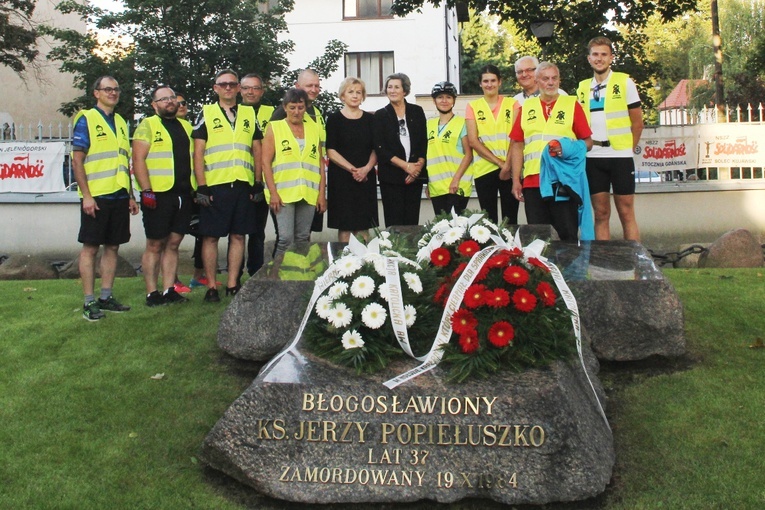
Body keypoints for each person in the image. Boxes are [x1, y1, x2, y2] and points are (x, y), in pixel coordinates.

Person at [71, 75, 138, 321]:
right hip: (96, 196)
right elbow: (77, 159)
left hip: (118, 195)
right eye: (107, 89)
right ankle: (89, 302)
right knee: (90, 248)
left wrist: (130, 195)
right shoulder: (86, 119)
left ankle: (106, 296)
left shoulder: (120, 121)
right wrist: (86, 196)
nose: (113, 93)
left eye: (116, 89)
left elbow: (124, 161)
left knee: (113, 246)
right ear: (96, 93)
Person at [192, 69, 262, 302]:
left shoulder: (248, 113)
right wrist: (201, 186)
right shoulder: (206, 112)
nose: (229, 88)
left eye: (233, 84)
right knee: (210, 237)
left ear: (239, 89)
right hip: (215, 185)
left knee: (238, 236)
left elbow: (257, 150)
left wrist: (258, 182)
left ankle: (233, 283)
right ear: (216, 88)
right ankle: (212, 285)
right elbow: (198, 152)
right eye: (223, 85)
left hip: (242, 183)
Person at [503, 62, 594, 242]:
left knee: (567, 233)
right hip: (532, 181)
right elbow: (517, 145)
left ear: (560, 81)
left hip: (562, 180)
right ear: (537, 82)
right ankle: (543, 271)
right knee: (538, 237)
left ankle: (570, 270)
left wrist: (567, 149)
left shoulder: (572, 104)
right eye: (545, 79)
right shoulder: (526, 107)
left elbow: (588, 142)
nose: (550, 83)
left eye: (554, 78)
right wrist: (515, 180)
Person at [577, 36, 644, 241]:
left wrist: (627, 149)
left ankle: (637, 264)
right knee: (601, 214)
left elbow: (638, 122)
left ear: (611, 58)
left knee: (626, 212)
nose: (599, 59)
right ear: (589, 58)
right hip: (593, 156)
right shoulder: (582, 87)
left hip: (620, 156)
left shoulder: (624, 82)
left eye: (604, 54)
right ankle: (602, 268)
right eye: (595, 54)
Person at [132, 85, 194, 306]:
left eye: (172, 98)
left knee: (174, 242)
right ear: (154, 104)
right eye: (164, 99)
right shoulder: (147, 125)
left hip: (183, 193)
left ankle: (169, 289)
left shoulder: (186, 127)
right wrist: (146, 189)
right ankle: (152, 292)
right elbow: (138, 160)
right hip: (158, 194)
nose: (170, 101)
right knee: (155, 244)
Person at [262, 88, 326, 256]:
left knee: (303, 238)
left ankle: (299, 277)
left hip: (308, 192)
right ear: (284, 107)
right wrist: (272, 193)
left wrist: (321, 194)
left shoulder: (313, 128)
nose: (296, 112)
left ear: (305, 107)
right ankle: (278, 279)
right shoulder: (275, 128)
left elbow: (320, 162)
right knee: (285, 238)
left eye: (300, 107)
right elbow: (265, 162)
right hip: (283, 193)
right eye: (292, 107)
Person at [271, 69, 326, 234]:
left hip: (309, 188)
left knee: (303, 237)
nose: (314, 89)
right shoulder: (283, 113)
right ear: (297, 86)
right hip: (286, 190)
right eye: (309, 85)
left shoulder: (315, 112)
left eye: (317, 85)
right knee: (285, 238)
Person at [326, 77, 378, 242]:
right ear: (342, 96)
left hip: (366, 178)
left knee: (364, 226)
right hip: (342, 179)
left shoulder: (371, 120)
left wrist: (366, 169)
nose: (355, 95)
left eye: (359, 92)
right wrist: (353, 169)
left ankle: (366, 265)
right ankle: (344, 264)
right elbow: (331, 150)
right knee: (345, 226)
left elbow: (376, 148)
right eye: (351, 92)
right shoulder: (334, 120)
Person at [466, 64, 520, 225]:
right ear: (480, 84)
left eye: (493, 80)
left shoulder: (513, 104)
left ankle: (511, 251)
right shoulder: (473, 106)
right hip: (485, 169)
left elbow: (516, 138)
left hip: (510, 168)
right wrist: (500, 163)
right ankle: (492, 250)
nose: (489, 84)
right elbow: (473, 141)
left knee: (510, 219)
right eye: (485, 81)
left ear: (500, 82)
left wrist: (507, 165)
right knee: (488, 221)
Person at [373, 73, 427, 226]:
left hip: (414, 176)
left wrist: (418, 166)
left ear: (405, 90)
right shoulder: (380, 115)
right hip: (391, 177)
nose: (392, 90)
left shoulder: (417, 111)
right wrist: (406, 166)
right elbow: (380, 148)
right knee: (394, 222)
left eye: (397, 87)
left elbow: (423, 141)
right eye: (389, 87)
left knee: (411, 222)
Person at [240, 73, 275, 276]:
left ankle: (256, 272)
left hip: (265, 180)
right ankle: (234, 276)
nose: (251, 92)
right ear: (240, 90)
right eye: (246, 88)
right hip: (240, 179)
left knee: (257, 231)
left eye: (255, 88)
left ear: (262, 91)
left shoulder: (273, 113)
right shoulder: (231, 113)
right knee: (236, 233)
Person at [426, 81, 473, 215]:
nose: (444, 101)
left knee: (456, 230)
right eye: (440, 97)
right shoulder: (429, 124)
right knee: (441, 228)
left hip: (456, 186)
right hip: (437, 187)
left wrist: (456, 179)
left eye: (448, 97)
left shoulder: (461, 123)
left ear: (454, 100)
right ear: (434, 101)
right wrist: (429, 184)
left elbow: (468, 155)